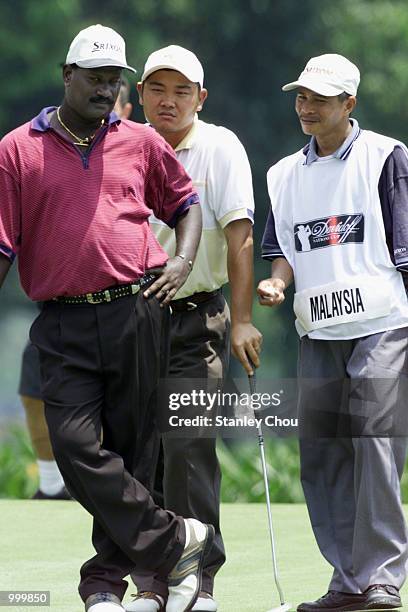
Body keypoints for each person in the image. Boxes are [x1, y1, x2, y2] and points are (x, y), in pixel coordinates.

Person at [0, 24, 215, 612]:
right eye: (94, 77)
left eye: (113, 79)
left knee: (133, 453)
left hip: (137, 309)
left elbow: (186, 204)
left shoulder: (141, 141)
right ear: (67, 76)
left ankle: (102, 586)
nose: (104, 88)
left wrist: (183, 259)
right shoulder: (18, 148)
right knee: (74, 448)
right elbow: (2, 243)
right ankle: (180, 540)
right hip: (63, 320)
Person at [258, 53, 408, 612]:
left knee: (374, 442)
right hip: (317, 331)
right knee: (322, 454)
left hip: (383, 326)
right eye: (301, 96)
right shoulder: (282, 174)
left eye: (320, 98)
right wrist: (275, 285)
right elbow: (285, 252)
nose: (306, 107)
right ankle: (348, 582)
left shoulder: (387, 157)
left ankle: (382, 579)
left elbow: (404, 244)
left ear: (350, 103)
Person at [126, 45, 262, 612]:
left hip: (199, 318)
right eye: (158, 89)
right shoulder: (122, 146)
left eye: (182, 91)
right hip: (133, 319)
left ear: (201, 98)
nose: (169, 100)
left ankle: (198, 580)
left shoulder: (219, 146)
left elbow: (239, 235)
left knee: (188, 446)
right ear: (140, 95)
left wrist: (243, 319)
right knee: (142, 453)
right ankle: (151, 582)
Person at [18, 78, 133, 502]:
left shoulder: (136, 149)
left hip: (127, 310)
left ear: (125, 106)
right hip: (60, 306)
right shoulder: (47, 148)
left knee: (114, 421)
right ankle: (51, 486)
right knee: (37, 390)